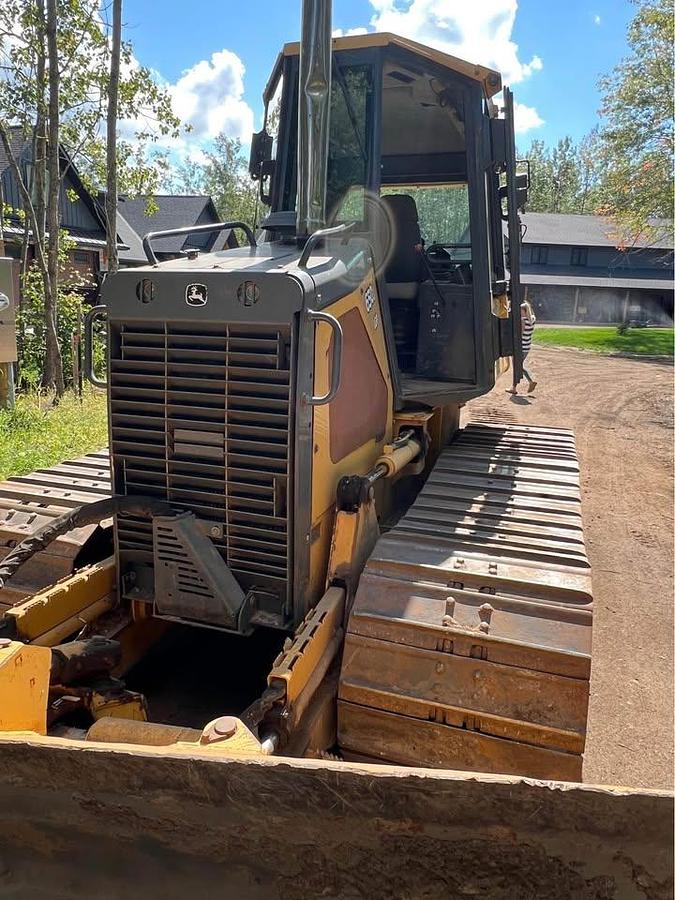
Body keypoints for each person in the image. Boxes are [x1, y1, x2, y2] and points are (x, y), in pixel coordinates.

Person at [509, 299, 537, 394]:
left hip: (520, 347)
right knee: (518, 366)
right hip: (527, 347)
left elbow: (519, 336)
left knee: (518, 366)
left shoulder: (522, 321)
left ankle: (531, 380)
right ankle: (514, 387)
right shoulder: (533, 319)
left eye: (521, 311)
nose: (519, 313)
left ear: (525, 311)